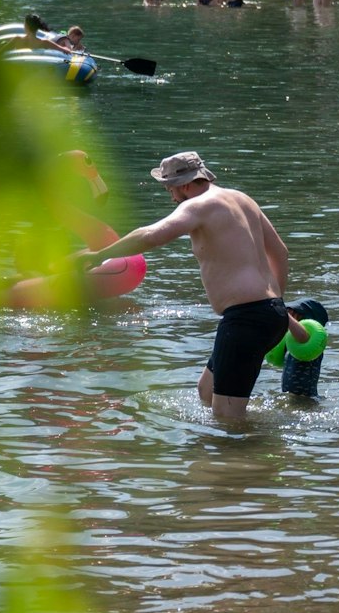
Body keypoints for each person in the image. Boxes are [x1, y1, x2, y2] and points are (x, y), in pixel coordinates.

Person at [75, 152, 307, 419]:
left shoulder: (198, 206)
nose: (172, 198)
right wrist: (276, 303)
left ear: (185, 185)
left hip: (247, 320)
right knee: (206, 393)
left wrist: (99, 255)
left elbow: (152, 236)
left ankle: (252, 454)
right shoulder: (243, 200)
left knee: (226, 420)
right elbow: (280, 252)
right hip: (266, 314)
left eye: (170, 190)